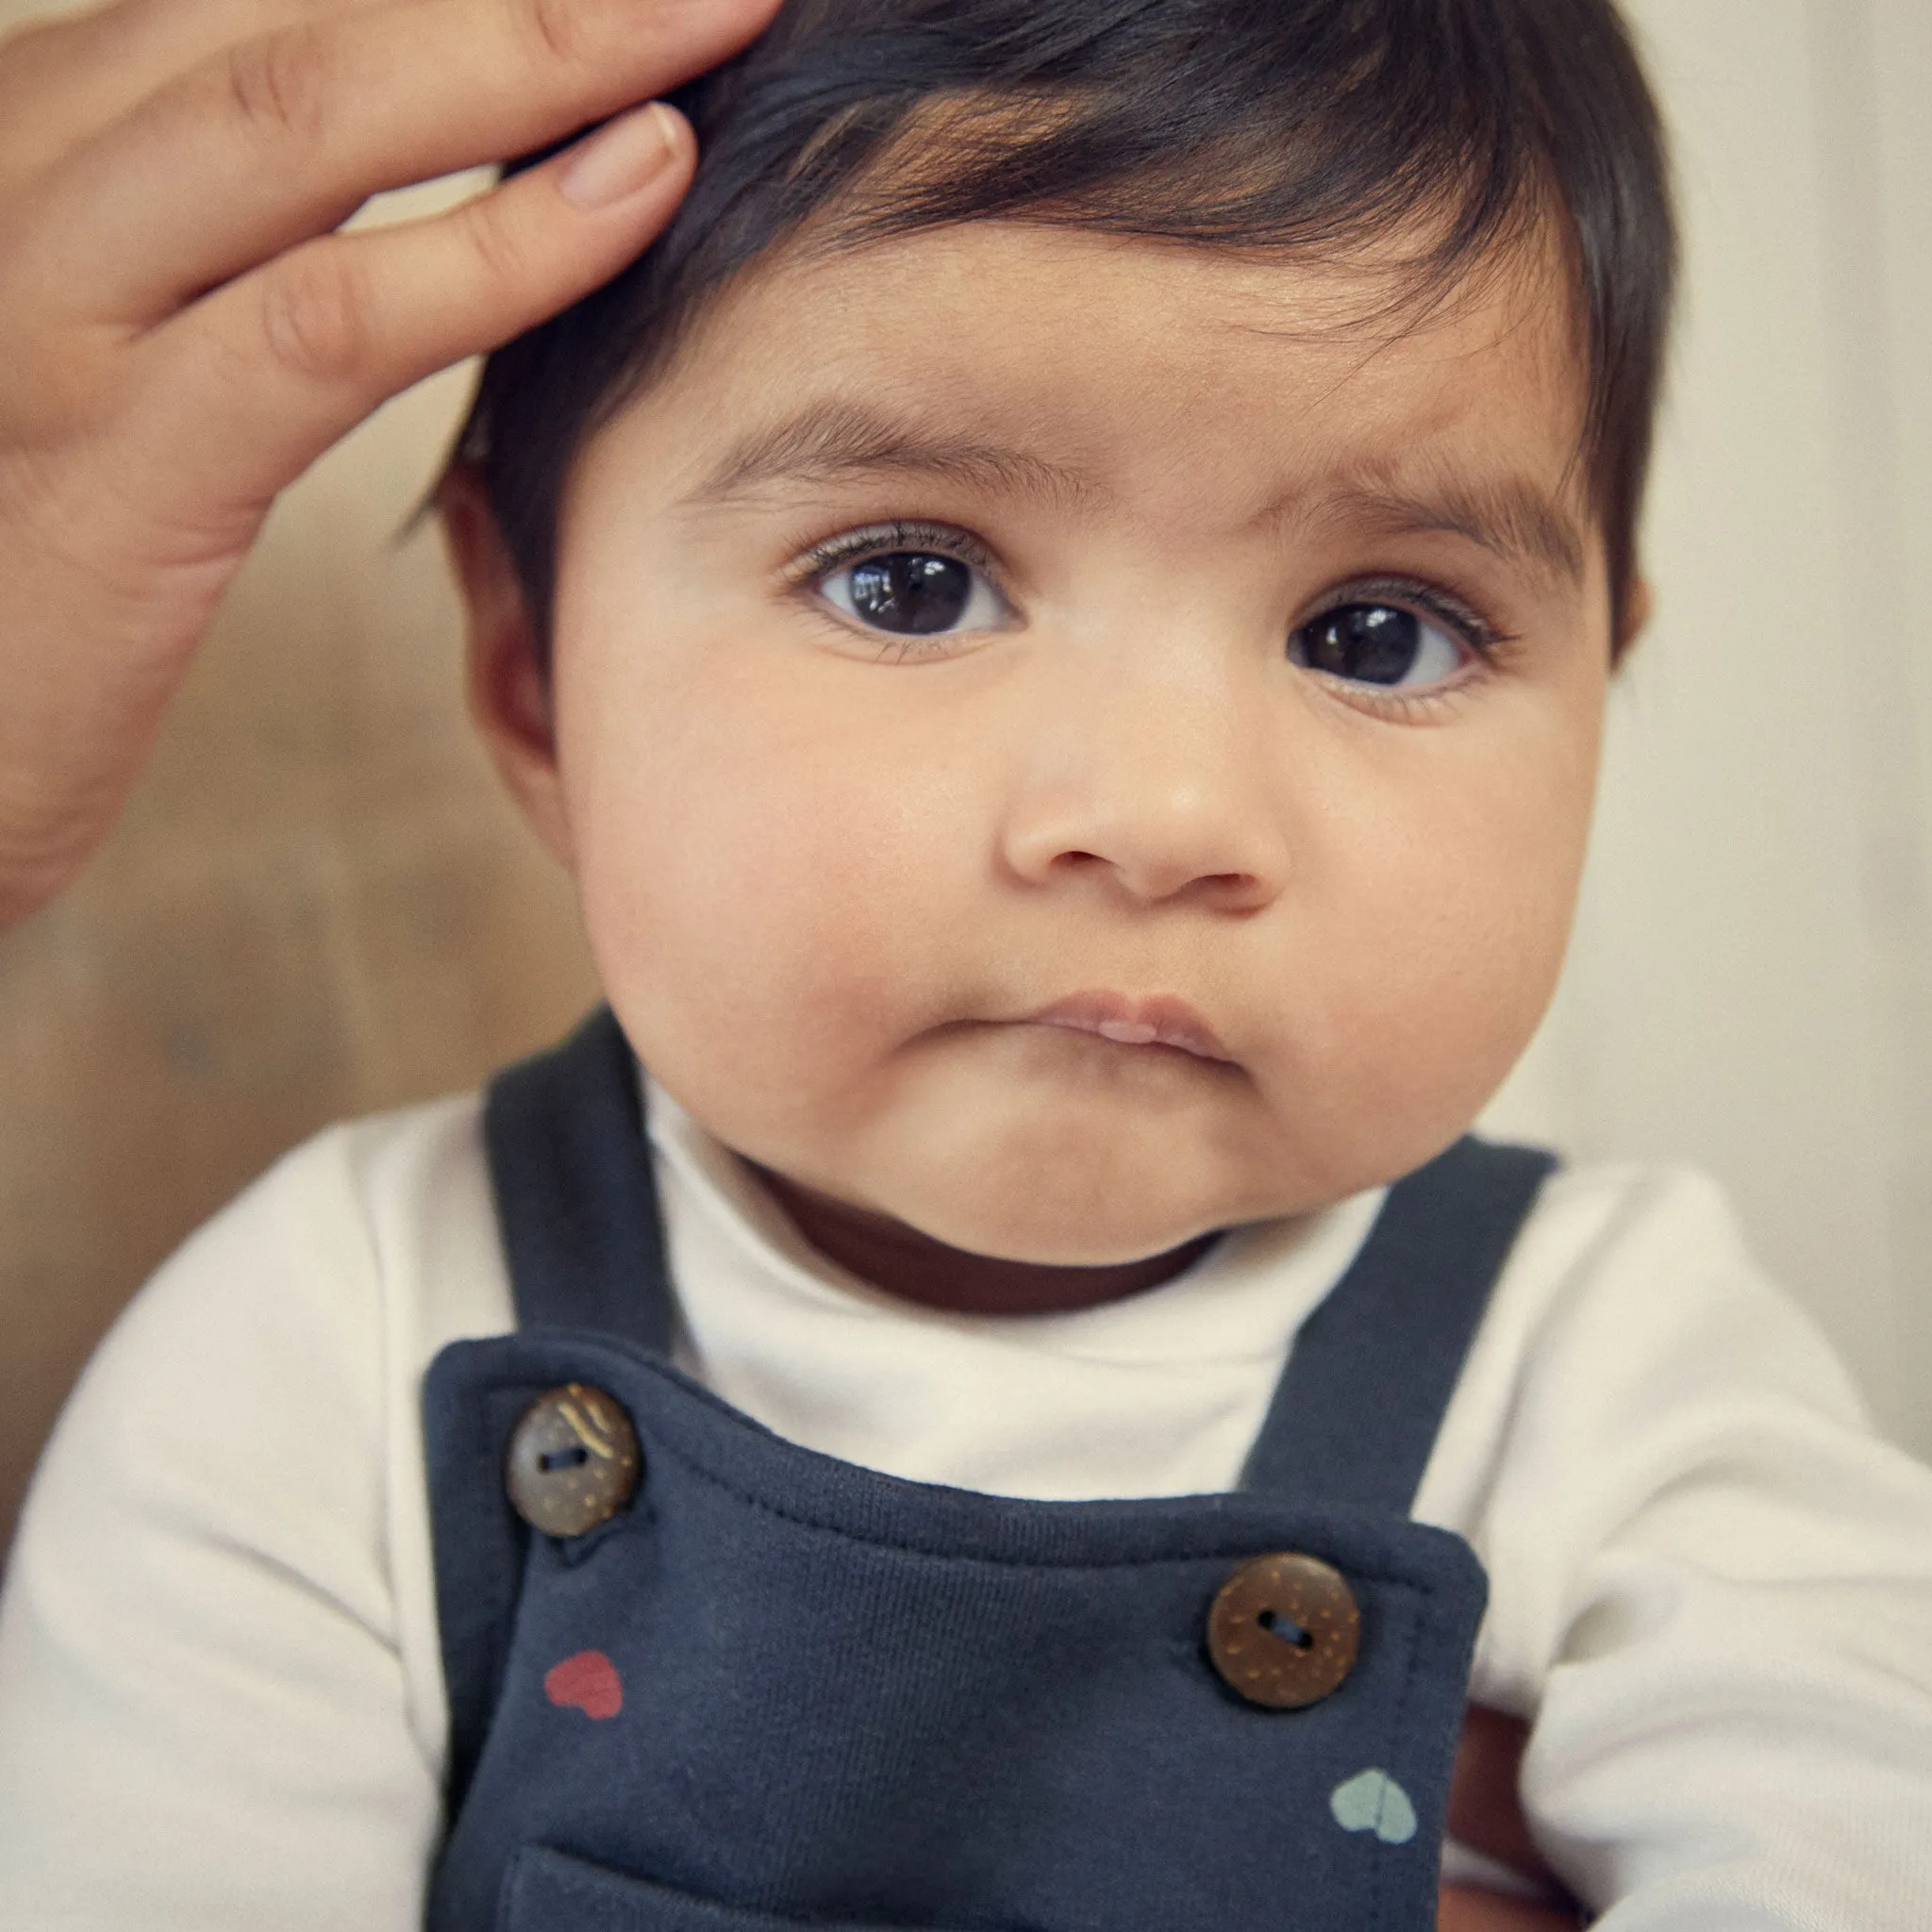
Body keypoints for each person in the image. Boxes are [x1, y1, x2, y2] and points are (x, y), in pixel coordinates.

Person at [2, 2, 1929, 1929]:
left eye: (1374, 633)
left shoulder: (1615, 1367)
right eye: (909, 579)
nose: (1163, 810)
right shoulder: (329, 1343)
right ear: (533, 679)